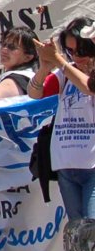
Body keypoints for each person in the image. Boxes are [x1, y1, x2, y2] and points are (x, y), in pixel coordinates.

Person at [28, 17, 95, 221]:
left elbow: (89, 87)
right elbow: (34, 92)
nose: (76, 56)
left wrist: (60, 61)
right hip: (66, 164)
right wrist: (44, 67)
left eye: (81, 51)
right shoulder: (65, 73)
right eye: (69, 51)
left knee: (92, 233)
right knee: (78, 236)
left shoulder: (68, 69)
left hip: (92, 166)